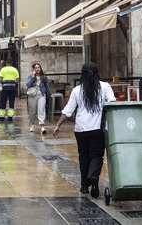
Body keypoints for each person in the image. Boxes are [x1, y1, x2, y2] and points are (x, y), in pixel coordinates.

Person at [52, 62, 116, 198]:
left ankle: (84, 185)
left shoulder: (77, 90)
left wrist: (58, 125)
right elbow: (112, 103)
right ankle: (93, 177)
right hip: (99, 128)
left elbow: (67, 111)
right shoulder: (105, 87)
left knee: (83, 156)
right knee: (97, 155)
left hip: (81, 129)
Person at [26, 63, 54, 134]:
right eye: (36, 68)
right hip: (32, 95)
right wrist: (32, 76)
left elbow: (46, 86)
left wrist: (50, 93)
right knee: (33, 111)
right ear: (34, 69)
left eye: (38, 67)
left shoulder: (43, 77)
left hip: (41, 95)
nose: (37, 69)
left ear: (40, 68)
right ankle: (32, 124)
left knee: (41, 110)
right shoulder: (30, 76)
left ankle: (42, 127)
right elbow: (28, 84)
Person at [0, 57, 19, 121]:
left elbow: (0, 79)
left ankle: (1, 116)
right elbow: (17, 80)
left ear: (6, 62)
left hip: (5, 88)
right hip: (13, 88)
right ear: (12, 62)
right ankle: (10, 117)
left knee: (3, 101)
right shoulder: (15, 70)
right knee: (11, 102)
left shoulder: (3, 69)